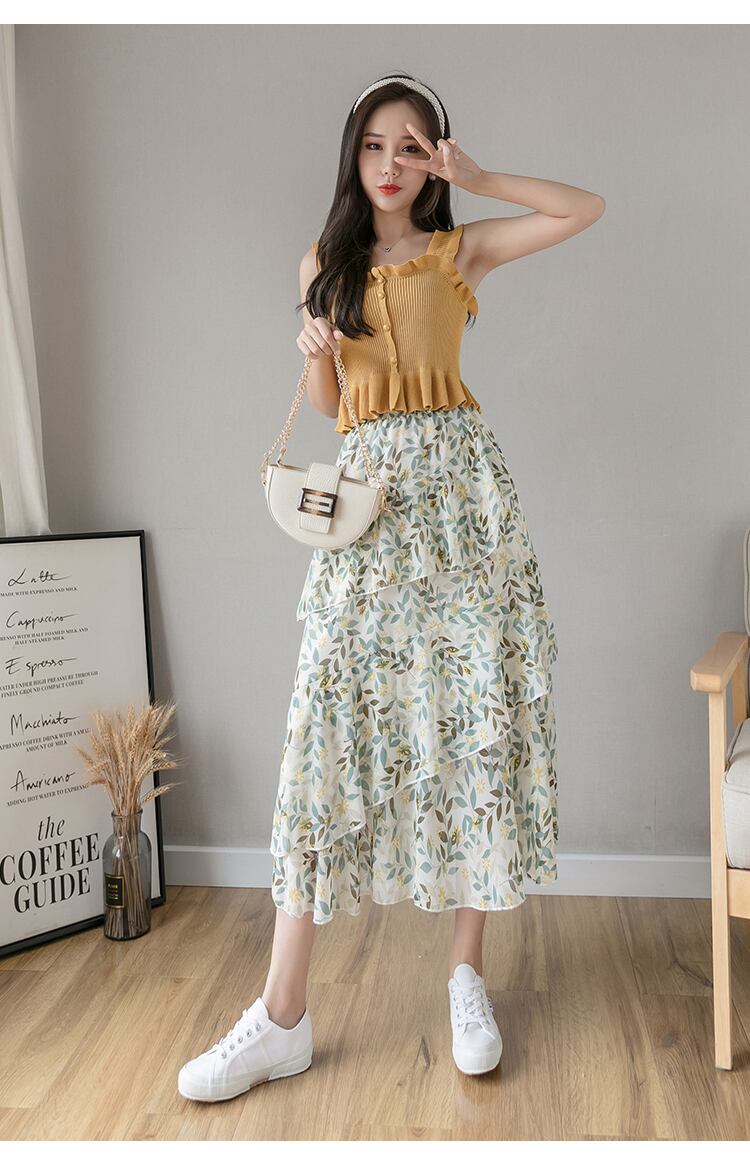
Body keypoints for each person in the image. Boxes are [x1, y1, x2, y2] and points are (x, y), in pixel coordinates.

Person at [178, 72, 605, 1104]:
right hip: (370, 512)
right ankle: (282, 1015)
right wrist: (313, 346)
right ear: (353, 155)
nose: (391, 163)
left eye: (412, 146)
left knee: (476, 723)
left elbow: (582, 208)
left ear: (433, 158)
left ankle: (466, 977)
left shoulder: (461, 251)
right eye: (376, 144)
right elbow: (335, 411)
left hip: (466, 513)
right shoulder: (324, 263)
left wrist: (481, 175)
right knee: (324, 728)